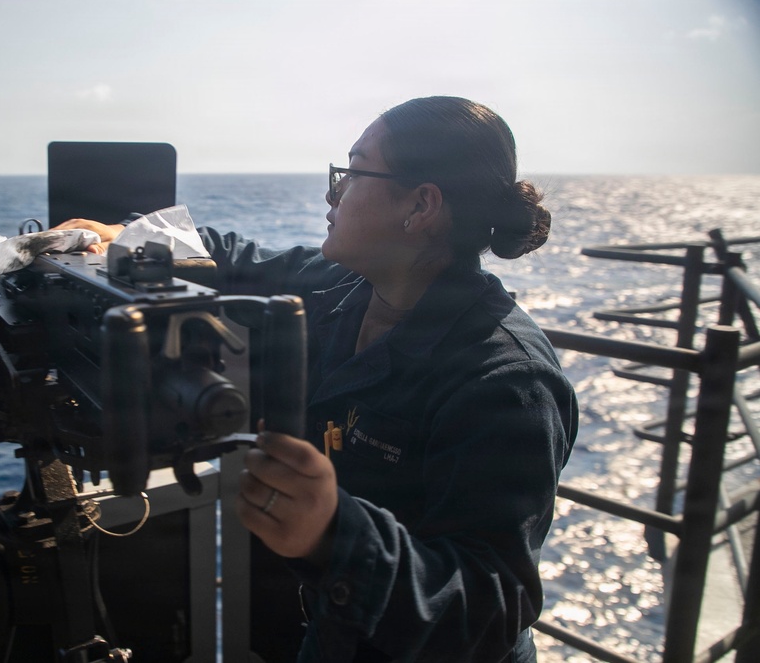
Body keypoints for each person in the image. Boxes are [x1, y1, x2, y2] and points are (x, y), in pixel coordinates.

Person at [55, 96, 578, 662]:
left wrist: (335, 533)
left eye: (351, 172)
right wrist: (126, 237)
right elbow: (234, 258)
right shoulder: (342, 286)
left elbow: (490, 609)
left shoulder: (505, 381)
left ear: (421, 205)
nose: (333, 194)